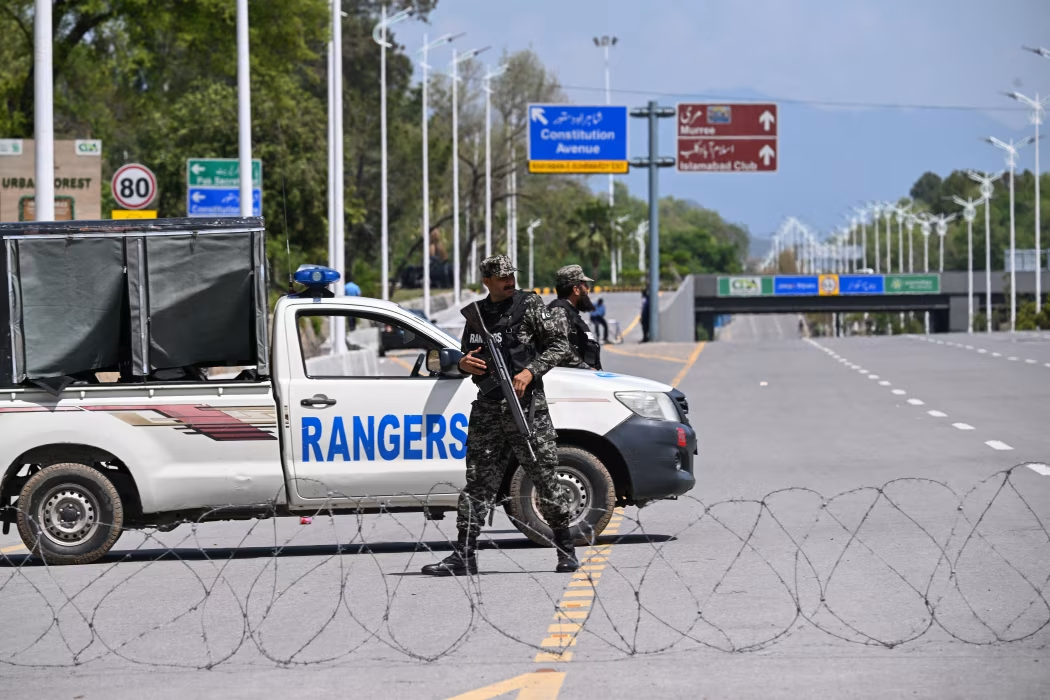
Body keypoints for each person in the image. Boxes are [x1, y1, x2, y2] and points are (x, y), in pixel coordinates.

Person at [422, 254, 580, 577]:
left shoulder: (529, 305)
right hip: (489, 408)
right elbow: (465, 355)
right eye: (502, 277)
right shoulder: (477, 314)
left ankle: (566, 549)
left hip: (527, 407)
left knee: (544, 476)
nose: (510, 282)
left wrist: (531, 371)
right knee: (478, 480)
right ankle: (464, 554)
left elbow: (559, 345)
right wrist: (463, 364)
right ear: (487, 281)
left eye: (511, 276)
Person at [548, 265, 602, 370]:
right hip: (569, 377)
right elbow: (559, 350)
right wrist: (587, 369)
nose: (588, 288)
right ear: (576, 290)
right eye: (585, 284)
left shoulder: (571, 313)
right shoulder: (559, 312)